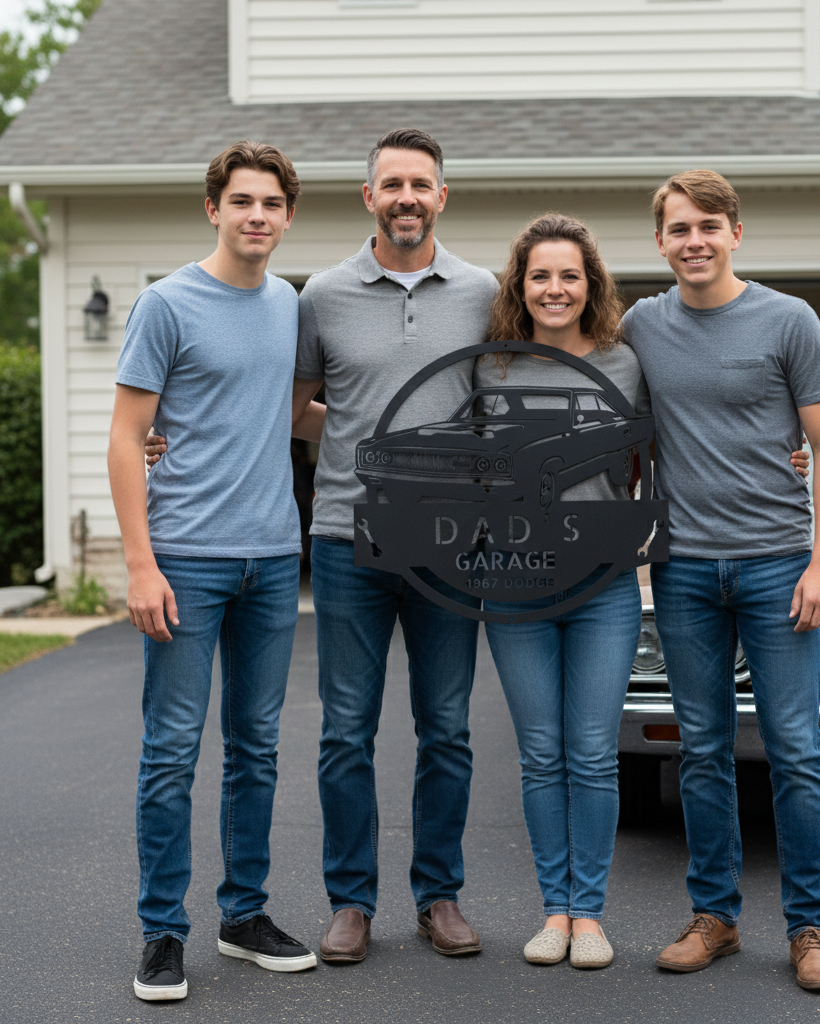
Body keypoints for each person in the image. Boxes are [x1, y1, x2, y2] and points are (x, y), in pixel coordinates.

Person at [621, 170, 820, 991]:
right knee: (702, 751)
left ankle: (811, 929)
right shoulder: (642, 325)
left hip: (778, 564)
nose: (695, 241)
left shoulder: (789, 320)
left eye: (709, 226)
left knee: (795, 751)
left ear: (735, 234)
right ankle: (713, 916)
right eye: (680, 229)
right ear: (660, 242)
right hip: (682, 567)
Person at [108, 142, 321, 1002]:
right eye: (241, 201)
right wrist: (140, 564)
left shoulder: (289, 305)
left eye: (271, 203)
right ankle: (162, 932)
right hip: (186, 560)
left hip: (272, 559)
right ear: (214, 209)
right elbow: (128, 436)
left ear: (288, 217)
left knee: (256, 751)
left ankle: (244, 916)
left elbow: (288, 413)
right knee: (170, 753)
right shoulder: (166, 304)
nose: (256, 215)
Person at [291, 128, 499, 963]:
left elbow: (503, 408)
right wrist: (366, 435)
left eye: (420, 184)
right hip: (349, 538)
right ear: (368, 197)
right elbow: (295, 409)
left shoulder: (483, 291)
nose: (406, 197)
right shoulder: (322, 295)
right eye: (392, 184)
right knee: (346, 730)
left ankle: (438, 896)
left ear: (441, 195)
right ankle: (351, 902)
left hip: (452, 543)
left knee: (446, 727)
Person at [476, 214, 648, 970]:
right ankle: (554, 910)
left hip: (603, 585)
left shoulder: (625, 363)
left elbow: (671, 442)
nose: (555, 288)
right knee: (542, 754)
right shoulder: (491, 367)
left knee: (593, 754)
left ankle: (590, 915)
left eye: (569, 275)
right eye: (540, 275)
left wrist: (790, 455)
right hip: (513, 585)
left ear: (591, 284)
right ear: (520, 285)